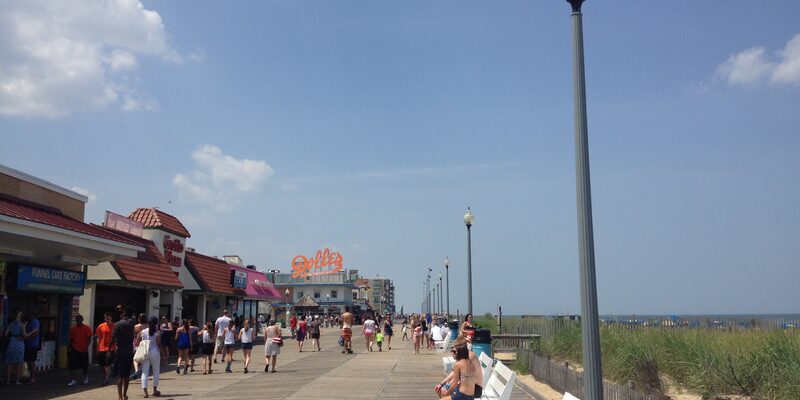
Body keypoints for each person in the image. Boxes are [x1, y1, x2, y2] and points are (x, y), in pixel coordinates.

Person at [111, 308, 135, 400]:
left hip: (120, 352)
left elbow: (113, 338)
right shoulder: (131, 323)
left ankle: (119, 397)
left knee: (120, 376)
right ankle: (125, 395)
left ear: (121, 316)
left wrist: (109, 350)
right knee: (126, 375)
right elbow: (133, 317)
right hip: (129, 351)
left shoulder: (117, 325)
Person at [139, 316, 161, 398]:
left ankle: (145, 392)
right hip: (154, 351)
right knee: (156, 371)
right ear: (156, 323)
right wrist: (164, 354)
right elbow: (159, 343)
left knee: (144, 372)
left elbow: (138, 341)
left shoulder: (143, 331)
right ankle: (155, 390)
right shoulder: (157, 332)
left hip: (145, 351)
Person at [4, 309, 27, 385]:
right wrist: (33, 331)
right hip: (19, 344)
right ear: (20, 317)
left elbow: (5, 334)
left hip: (11, 343)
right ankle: (17, 381)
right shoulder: (22, 325)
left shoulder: (10, 324)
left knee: (9, 363)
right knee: (19, 363)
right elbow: (25, 335)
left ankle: (7, 381)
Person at [67, 314, 92, 387]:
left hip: (83, 350)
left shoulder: (87, 328)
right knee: (71, 365)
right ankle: (73, 380)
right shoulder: (73, 329)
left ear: (82, 320)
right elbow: (71, 339)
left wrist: (86, 348)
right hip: (74, 348)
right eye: (77, 319)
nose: (79, 321)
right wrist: (68, 347)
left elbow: (89, 339)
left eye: (80, 319)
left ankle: (86, 376)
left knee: (84, 365)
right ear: (76, 320)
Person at [95, 311, 116, 386]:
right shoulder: (100, 326)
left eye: (108, 317)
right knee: (101, 365)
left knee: (107, 365)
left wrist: (115, 347)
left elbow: (116, 338)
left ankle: (106, 379)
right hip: (101, 348)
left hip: (110, 348)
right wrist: (97, 348)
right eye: (106, 317)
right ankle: (105, 377)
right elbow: (98, 337)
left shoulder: (115, 326)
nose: (107, 319)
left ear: (111, 318)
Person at [23, 310, 40, 384]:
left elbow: (36, 333)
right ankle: (30, 376)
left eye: (29, 314)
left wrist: (26, 338)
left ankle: (33, 377)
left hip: (32, 345)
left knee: (31, 361)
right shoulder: (30, 322)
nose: (28, 316)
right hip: (28, 344)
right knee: (29, 361)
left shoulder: (35, 322)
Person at [130, 313, 148, 379]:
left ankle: (136, 370)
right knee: (144, 359)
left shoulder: (136, 326)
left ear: (139, 319)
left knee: (135, 358)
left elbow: (133, 335)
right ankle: (141, 371)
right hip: (146, 343)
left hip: (137, 343)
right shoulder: (148, 326)